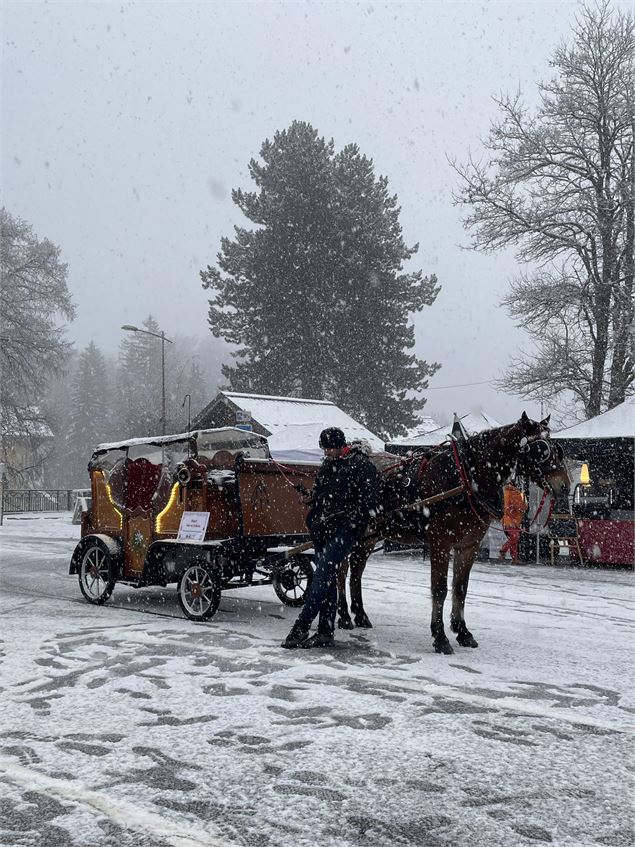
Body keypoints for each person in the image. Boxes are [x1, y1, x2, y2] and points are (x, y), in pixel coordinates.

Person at [282, 427, 379, 649]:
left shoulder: (361, 466)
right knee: (328, 581)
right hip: (322, 529)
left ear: (338, 446)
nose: (325, 453)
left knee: (322, 575)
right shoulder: (328, 465)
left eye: (328, 449)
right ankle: (325, 632)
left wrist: (350, 520)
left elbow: (369, 503)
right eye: (324, 449)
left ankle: (301, 627)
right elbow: (320, 494)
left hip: (345, 531)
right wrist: (309, 498)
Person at [499, 483, 527, 563]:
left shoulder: (505, 492)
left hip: (507, 520)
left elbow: (507, 507)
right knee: (515, 537)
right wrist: (524, 505)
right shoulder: (515, 493)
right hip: (513, 521)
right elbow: (520, 507)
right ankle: (503, 550)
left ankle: (514, 558)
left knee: (514, 539)